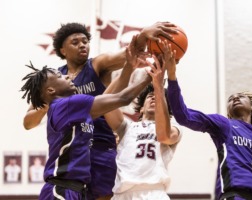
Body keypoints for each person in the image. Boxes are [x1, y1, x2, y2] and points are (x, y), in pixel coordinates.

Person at [23, 22, 178, 200]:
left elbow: (127, 56)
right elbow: (28, 122)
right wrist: (47, 101)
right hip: (73, 160)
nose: (82, 45)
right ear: (62, 50)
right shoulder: (56, 84)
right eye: (75, 42)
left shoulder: (97, 64)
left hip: (101, 147)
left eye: (85, 41)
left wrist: (143, 37)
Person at [20, 48, 151, 200]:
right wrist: (150, 76)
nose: (67, 76)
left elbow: (108, 97)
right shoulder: (67, 104)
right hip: (62, 189)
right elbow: (123, 98)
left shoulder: (73, 111)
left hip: (75, 189)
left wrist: (129, 66)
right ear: (51, 90)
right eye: (60, 76)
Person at [163, 54, 252, 199]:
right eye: (230, 99)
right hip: (233, 194)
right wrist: (172, 76)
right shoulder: (224, 125)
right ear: (228, 112)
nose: (235, 98)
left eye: (240, 96)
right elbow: (183, 115)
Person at [102, 40, 181, 200]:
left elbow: (164, 135)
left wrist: (159, 87)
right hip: (122, 194)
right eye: (150, 97)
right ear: (141, 108)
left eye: (159, 99)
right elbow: (105, 102)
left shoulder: (174, 130)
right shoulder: (127, 128)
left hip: (154, 193)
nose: (154, 98)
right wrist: (128, 67)